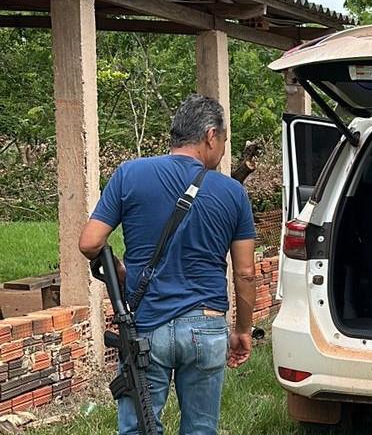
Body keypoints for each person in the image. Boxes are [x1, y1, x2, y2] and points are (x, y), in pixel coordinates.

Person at [79, 93, 257, 435]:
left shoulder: (130, 174)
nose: (221, 152)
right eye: (222, 141)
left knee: (138, 428)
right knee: (201, 429)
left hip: (145, 326)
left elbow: (89, 242)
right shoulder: (232, 192)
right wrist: (243, 331)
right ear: (209, 135)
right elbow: (246, 273)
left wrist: (117, 270)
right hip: (206, 327)